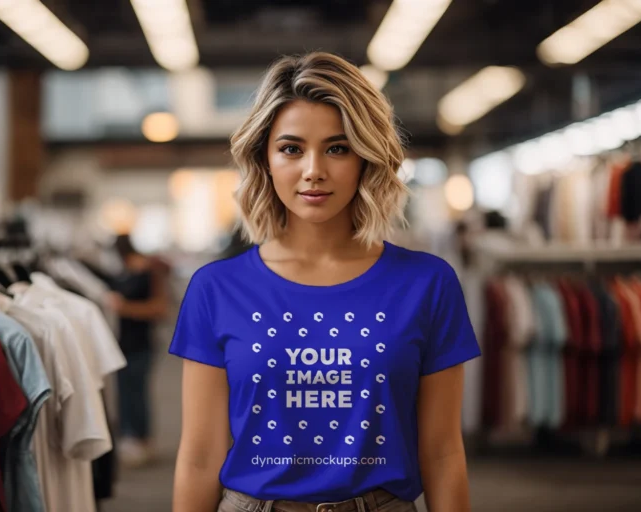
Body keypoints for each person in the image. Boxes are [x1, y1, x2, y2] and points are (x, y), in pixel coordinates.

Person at [169, 52, 481, 512]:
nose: (313, 169)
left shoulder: (427, 284)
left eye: (337, 148)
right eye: (291, 149)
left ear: (366, 158)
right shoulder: (216, 289)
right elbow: (199, 458)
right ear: (265, 159)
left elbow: (442, 452)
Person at [107, 234, 170, 467]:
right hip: (121, 342)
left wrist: (125, 308)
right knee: (124, 392)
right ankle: (129, 438)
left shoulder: (150, 272)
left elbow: (159, 308)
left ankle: (143, 440)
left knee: (137, 392)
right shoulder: (122, 274)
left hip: (142, 342)